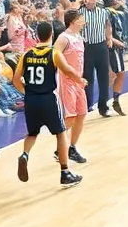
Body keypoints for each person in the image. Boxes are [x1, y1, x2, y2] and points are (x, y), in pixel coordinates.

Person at [13, 21, 82, 188]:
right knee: (60, 134)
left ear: (37, 35)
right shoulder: (54, 54)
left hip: (31, 100)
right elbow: (69, 71)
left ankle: (25, 155)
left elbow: (15, 80)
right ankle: (65, 172)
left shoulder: (26, 54)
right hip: (49, 99)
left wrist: (27, 93)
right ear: (52, 34)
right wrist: (80, 80)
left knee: (32, 133)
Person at [52, 9, 88, 164]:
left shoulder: (78, 37)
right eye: (81, 18)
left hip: (78, 80)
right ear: (73, 21)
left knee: (82, 113)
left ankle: (72, 147)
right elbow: (54, 56)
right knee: (71, 116)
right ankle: (60, 147)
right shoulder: (63, 38)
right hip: (66, 80)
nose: (84, 20)